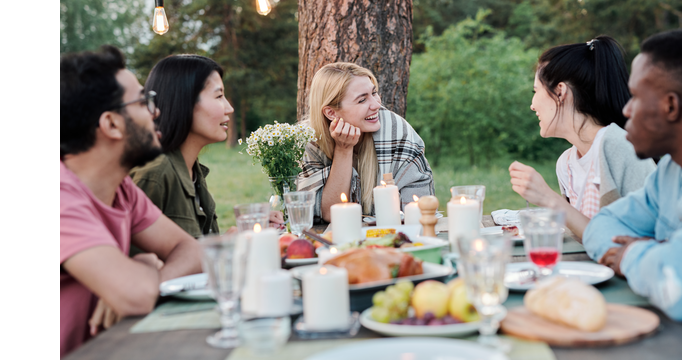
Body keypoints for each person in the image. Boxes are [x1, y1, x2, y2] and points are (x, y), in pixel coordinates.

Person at [60, 46, 202, 357]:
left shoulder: (121, 188)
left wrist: (152, 275)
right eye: (143, 101)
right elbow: (136, 297)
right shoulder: (57, 198)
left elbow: (192, 250)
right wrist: (144, 261)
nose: (156, 111)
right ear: (111, 124)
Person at [583, 28, 682, 321]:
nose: (626, 110)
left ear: (670, 106)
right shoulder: (669, 171)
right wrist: (659, 256)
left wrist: (630, 256)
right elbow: (602, 225)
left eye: (636, 96)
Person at [508, 36, 656, 241]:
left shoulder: (619, 146)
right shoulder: (566, 164)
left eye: (536, 91)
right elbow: (585, 236)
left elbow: (640, 240)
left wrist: (547, 197)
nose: (532, 105)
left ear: (560, 92)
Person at [129, 55, 282, 238]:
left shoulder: (193, 170)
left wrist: (247, 231)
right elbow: (137, 262)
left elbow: (197, 249)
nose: (229, 108)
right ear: (184, 102)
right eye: (219, 96)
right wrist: (227, 243)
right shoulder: (155, 176)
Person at [298, 62, 435, 222]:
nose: (377, 105)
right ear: (331, 113)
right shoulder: (309, 140)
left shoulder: (396, 130)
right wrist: (343, 150)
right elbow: (329, 214)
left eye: (374, 93)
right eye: (362, 100)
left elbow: (420, 210)